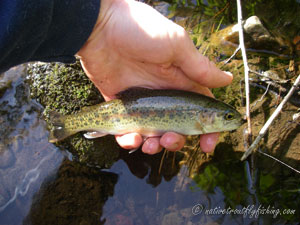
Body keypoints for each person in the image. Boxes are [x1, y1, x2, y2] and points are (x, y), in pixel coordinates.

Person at [0, 0, 233, 155]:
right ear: (207, 116)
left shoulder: (198, 114)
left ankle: (68, 123)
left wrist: (100, 21)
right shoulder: (197, 116)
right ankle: (68, 123)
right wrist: (100, 20)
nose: (233, 120)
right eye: (227, 117)